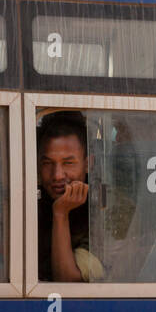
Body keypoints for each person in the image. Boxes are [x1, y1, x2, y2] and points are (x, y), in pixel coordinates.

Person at [38, 111, 104, 282]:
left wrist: (60, 215)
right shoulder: (28, 201)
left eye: (68, 163)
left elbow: (68, 280)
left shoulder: (108, 206)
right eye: (47, 163)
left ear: (88, 164)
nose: (57, 175)